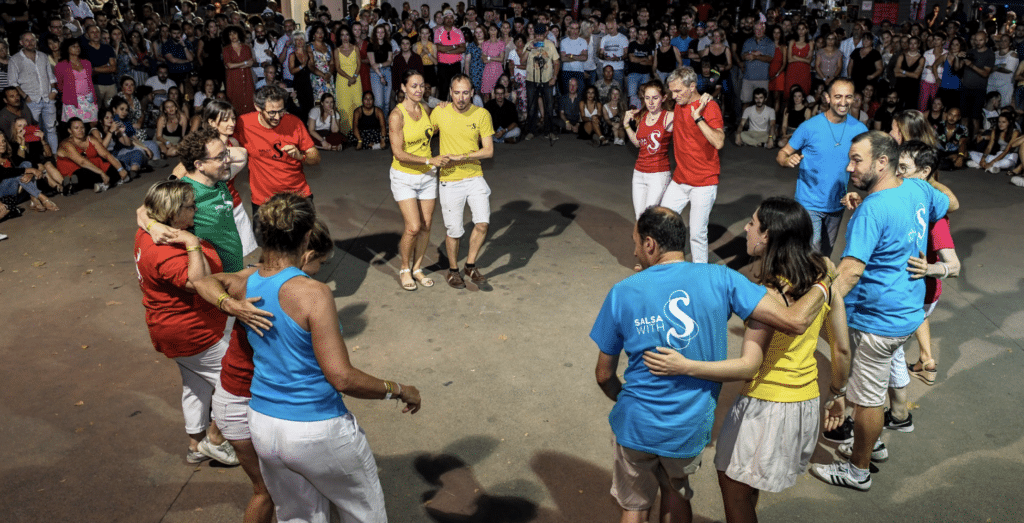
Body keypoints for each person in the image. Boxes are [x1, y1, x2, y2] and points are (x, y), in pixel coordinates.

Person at [591, 206, 830, 523]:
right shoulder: (722, 278)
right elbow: (792, 321)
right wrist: (825, 281)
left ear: (650, 245)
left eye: (635, 241)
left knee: (634, 506)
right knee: (675, 491)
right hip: (688, 426)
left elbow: (604, 374)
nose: (634, 249)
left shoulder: (622, 292)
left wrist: (624, 398)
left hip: (636, 423)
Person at [194, 192, 421, 523]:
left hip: (263, 424)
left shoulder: (248, 281)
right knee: (363, 512)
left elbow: (202, 281)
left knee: (298, 515)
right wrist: (399, 388)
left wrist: (228, 304)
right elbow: (341, 377)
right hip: (315, 427)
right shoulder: (313, 292)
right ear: (305, 238)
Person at [811, 131, 949, 491]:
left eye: (857, 160)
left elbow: (851, 272)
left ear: (882, 162)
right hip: (906, 313)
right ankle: (873, 446)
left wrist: (813, 309)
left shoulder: (874, 209)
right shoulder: (917, 189)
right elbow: (948, 204)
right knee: (871, 388)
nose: (849, 166)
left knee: (867, 399)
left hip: (875, 321)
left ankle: (857, 471)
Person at [133, 179, 240, 467]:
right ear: (172, 211)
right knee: (238, 382)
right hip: (193, 332)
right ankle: (216, 440)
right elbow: (199, 282)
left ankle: (196, 445)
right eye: (190, 206)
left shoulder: (149, 232)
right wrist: (192, 244)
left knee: (196, 385)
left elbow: (142, 210)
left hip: (171, 329)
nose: (196, 210)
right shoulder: (167, 252)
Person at [776, 79, 868, 256]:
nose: (843, 102)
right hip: (808, 203)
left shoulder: (860, 129)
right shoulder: (809, 127)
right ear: (827, 97)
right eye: (838, 96)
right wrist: (787, 161)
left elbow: (866, 163)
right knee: (810, 254)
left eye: (848, 97)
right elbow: (782, 154)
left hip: (837, 203)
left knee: (826, 254)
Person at [429, 74, 494, 289]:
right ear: (450, 92)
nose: (461, 97)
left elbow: (488, 151)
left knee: (482, 223)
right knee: (454, 231)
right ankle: (453, 270)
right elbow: (424, 133)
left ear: (473, 93)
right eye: (456, 92)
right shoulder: (440, 111)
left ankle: (470, 264)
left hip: (474, 175)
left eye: (466, 92)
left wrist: (462, 156)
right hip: (450, 180)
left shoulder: (482, 114)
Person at [388, 70, 448, 291]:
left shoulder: (425, 108)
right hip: (404, 176)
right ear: (403, 88)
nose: (419, 90)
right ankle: (404, 268)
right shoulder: (397, 115)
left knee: (426, 225)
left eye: (422, 86)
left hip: (428, 175)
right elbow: (399, 153)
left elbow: (435, 128)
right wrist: (429, 160)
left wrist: (443, 110)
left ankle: (417, 268)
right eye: (413, 86)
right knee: (413, 227)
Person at [663, 66, 725, 264]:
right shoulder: (679, 105)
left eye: (678, 91)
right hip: (680, 179)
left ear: (692, 87)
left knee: (697, 234)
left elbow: (719, 142)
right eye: (671, 91)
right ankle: (665, 264)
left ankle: (700, 275)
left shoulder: (709, 107)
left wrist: (698, 117)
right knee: (661, 222)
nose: (674, 96)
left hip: (704, 182)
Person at [233, 85, 319, 218]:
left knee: (306, 237)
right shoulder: (244, 123)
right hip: (264, 201)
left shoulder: (294, 123)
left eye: (281, 111)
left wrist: (300, 156)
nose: (278, 117)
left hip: (297, 195)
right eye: (272, 112)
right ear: (257, 107)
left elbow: (315, 158)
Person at [624, 80, 673, 223]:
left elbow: (688, 119)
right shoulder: (643, 116)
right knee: (640, 217)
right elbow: (638, 143)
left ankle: (654, 244)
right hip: (639, 173)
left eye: (655, 98)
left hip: (658, 174)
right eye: (647, 98)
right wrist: (627, 126)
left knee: (649, 218)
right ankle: (644, 245)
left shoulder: (669, 116)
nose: (651, 102)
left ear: (663, 98)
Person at [10, 32, 59, 152]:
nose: (30, 43)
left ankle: (54, 156)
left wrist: (53, 90)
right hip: (31, 101)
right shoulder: (15, 59)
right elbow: (13, 83)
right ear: (21, 42)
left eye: (32, 40)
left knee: (51, 129)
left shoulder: (42, 56)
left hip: (48, 98)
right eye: (26, 40)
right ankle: (36, 158)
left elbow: (51, 76)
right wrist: (25, 96)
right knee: (32, 131)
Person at [56, 117, 129, 192]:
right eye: (76, 128)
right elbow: (82, 162)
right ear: (70, 131)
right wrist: (101, 173)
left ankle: (105, 183)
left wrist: (120, 169)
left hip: (94, 165)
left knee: (118, 165)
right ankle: (111, 181)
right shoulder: (66, 144)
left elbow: (106, 154)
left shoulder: (90, 139)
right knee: (85, 174)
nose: (80, 130)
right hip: (77, 170)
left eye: (82, 127)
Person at [524, 23, 560, 142]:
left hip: (546, 80)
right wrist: (529, 49)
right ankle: (531, 131)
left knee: (549, 106)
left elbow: (556, 62)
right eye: (537, 35)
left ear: (545, 33)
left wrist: (554, 77)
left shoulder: (550, 45)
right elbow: (522, 60)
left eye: (541, 35)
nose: (539, 38)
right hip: (531, 79)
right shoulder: (530, 43)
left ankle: (549, 131)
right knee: (531, 106)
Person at [223, 25, 257, 116]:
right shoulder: (226, 49)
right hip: (233, 80)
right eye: (230, 34)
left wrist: (238, 64)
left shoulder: (246, 48)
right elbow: (229, 65)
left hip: (247, 79)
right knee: (235, 102)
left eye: (234, 33)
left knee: (249, 102)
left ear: (239, 34)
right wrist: (244, 63)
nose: (232, 36)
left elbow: (250, 63)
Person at [82, 24, 118, 107]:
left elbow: (113, 68)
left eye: (97, 31)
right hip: (94, 85)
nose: (95, 34)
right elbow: (87, 71)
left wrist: (94, 69)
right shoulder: (83, 50)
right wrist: (105, 66)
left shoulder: (107, 48)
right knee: (96, 113)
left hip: (110, 84)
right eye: (92, 32)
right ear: (87, 35)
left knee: (112, 110)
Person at [434, 9, 466, 100]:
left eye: (451, 18)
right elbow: (438, 48)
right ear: (443, 19)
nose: (449, 20)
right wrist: (455, 47)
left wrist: (447, 50)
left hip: (455, 66)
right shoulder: (438, 31)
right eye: (447, 18)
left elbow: (463, 48)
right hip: (442, 66)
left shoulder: (458, 32)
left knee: (456, 91)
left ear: (454, 19)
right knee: (443, 92)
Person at [368, 24, 393, 113]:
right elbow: (373, 64)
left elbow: (390, 61)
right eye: (378, 32)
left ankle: (385, 123)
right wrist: (381, 76)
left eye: (382, 32)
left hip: (387, 71)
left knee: (386, 102)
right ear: (375, 34)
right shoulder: (371, 45)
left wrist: (381, 65)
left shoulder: (388, 45)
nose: (380, 34)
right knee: (379, 103)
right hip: (375, 73)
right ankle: (379, 124)